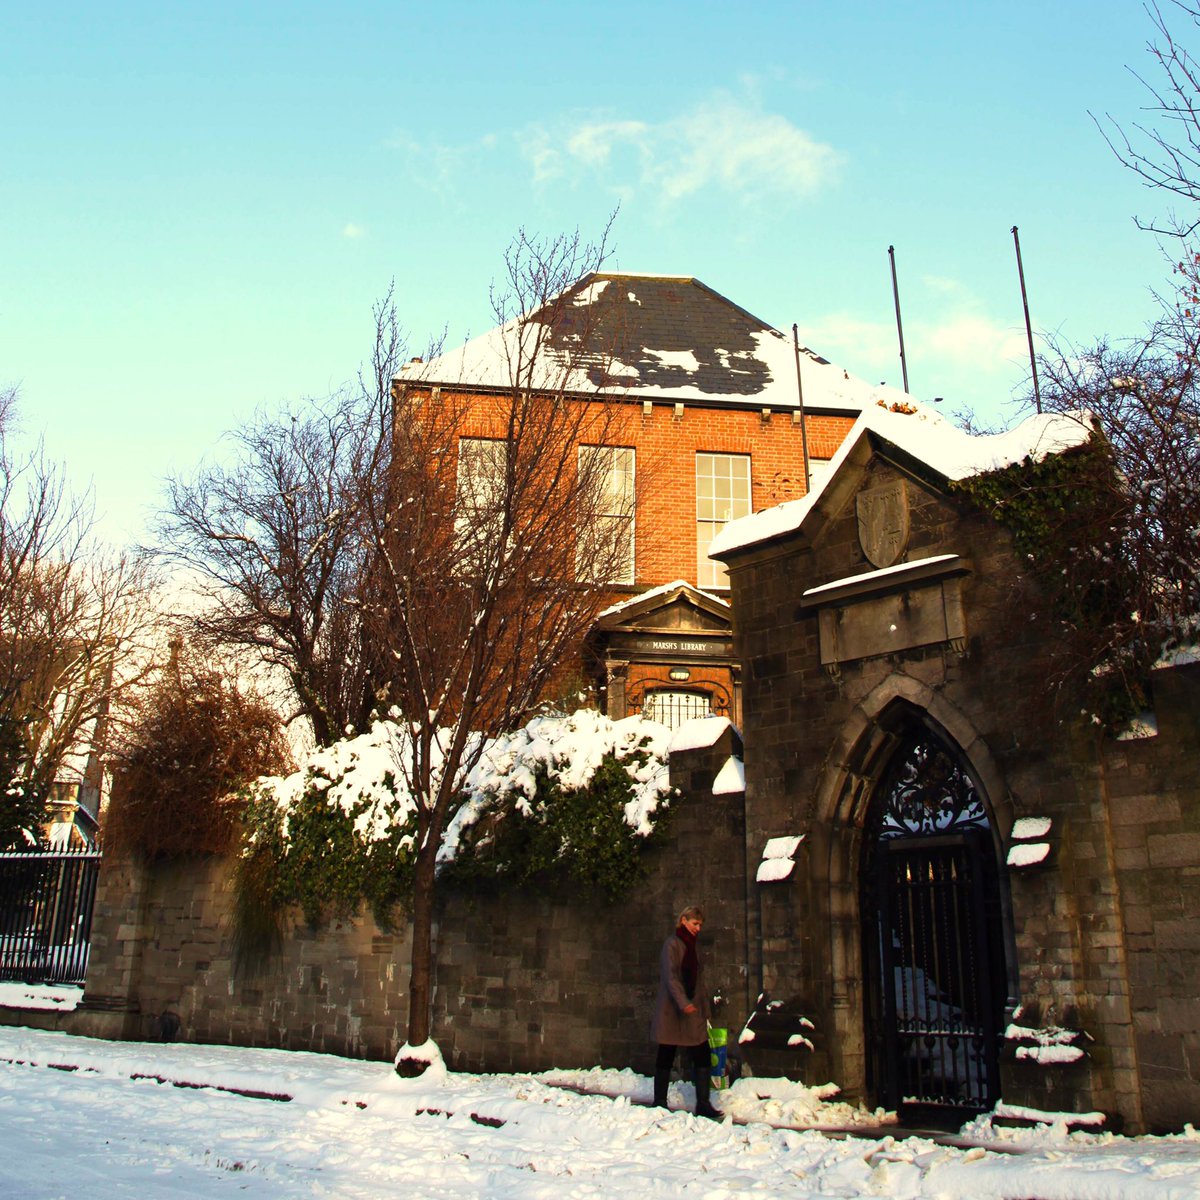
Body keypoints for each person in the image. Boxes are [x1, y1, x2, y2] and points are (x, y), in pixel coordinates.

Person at [651, 905, 722, 1120]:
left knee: (702, 1054)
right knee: (666, 1052)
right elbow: (670, 977)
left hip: (692, 1010)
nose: (698, 928)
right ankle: (660, 1101)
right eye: (694, 924)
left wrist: (704, 1009)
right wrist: (683, 1003)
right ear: (683, 921)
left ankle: (703, 1102)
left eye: (700, 925)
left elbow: (699, 982)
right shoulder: (672, 944)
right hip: (673, 1009)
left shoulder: (693, 946)